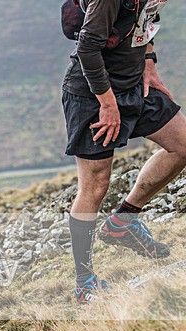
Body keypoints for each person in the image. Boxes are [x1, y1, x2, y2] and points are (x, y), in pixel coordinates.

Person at [62, 0, 186, 303]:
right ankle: (84, 284)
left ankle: (123, 222)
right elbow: (88, 48)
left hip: (135, 87)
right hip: (93, 94)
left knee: (182, 145)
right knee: (96, 184)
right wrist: (107, 103)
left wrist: (149, 61)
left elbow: (145, 20)